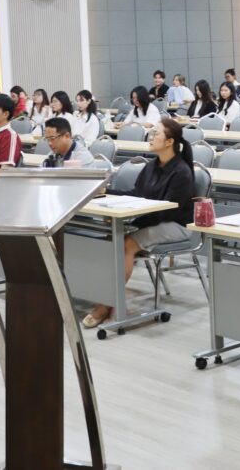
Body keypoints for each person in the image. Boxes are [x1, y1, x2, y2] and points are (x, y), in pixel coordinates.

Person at [82, 118, 195, 328]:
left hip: (177, 225)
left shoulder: (181, 172)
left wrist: (133, 222)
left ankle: (108, 303)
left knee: (126, 244)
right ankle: (105, 294)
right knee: (111, 239)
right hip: (152, 219)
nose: (151, 137)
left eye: (156, 134)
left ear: (170, 141)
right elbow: (137, 194)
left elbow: (169, 210)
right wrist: (106, 192)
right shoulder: (151, 166)